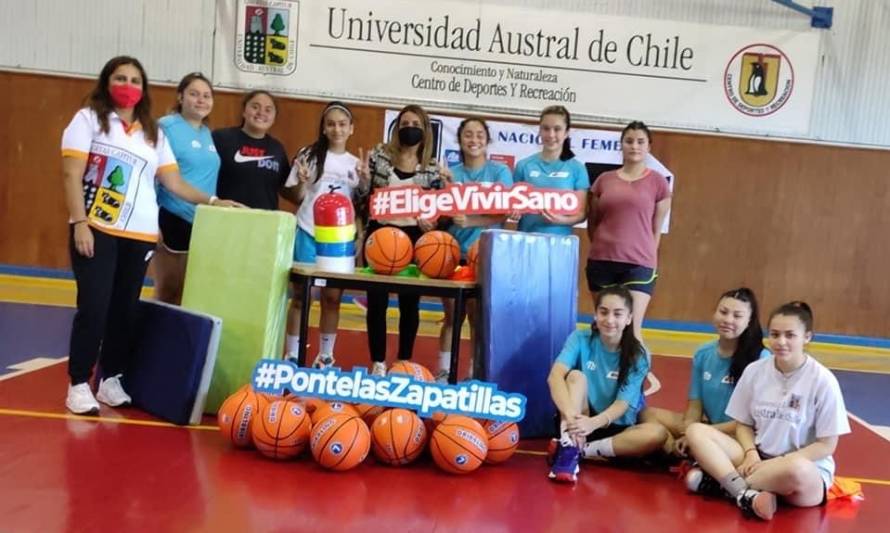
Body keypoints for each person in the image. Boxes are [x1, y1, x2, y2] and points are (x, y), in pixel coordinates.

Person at [61, 56, 239, 415]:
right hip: (96, 228)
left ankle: (111, 380)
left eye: (135, 80)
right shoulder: (88, 120)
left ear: (144, 89)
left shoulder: (151, 132)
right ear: (107, 82)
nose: (129, 86)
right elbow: (71, 174)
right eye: (121, 78)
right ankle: (79, 382)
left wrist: (216, 200)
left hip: (139, 234)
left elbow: (173, 182)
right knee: (94, 307)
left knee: (124, 310)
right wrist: (80, 222)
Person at [684, 302, 851, 521]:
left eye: (790, 335)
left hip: (801, 471)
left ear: (807, 337)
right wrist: (751, 452)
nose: (781, 342)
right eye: (775, 334)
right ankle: (747, 494)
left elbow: (827, 445)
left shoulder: (823, 381)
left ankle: (725, 485)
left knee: (797, 470)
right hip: (756, 459)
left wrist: (779, 462)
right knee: (697, 431)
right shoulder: (755, 371)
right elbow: (743, 424)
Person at [355, 104, 448, 377]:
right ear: (397, 128)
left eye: (417, 125)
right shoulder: (378, 157)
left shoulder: (432, 169)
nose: (410, 128)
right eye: (405, 123)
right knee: (378, 302)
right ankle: (378, 362)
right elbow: (363, 197)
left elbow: (440, 211)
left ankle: (404, 360)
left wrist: (431, 221)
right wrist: (362, 181)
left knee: (410, 304)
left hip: (414, 239)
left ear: (425, 131)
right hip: (380, 236)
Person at [546, 286, 668, 484]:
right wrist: (569, 416)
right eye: (603, 312)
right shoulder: (580, 338)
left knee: (657, 434)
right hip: (577, 418)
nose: (609, 320)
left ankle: (581, 451)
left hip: (612, 425)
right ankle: (568, 446)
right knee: (575, 376)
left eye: (617, 314)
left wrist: (593, 424)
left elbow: (623, 404)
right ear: (595, 314)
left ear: (629, 319)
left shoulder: (639, 355)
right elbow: (554, 376)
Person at [640, 288, 767, 456]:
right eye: (723, 312)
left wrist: (698, 433)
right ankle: (675, 452)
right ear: (714, 313)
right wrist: (689, 429)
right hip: (707, 426)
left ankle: (695, 454)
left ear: (749, 321)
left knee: (701, 438)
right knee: (646, 413)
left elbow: (749, 421)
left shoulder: (761, 359)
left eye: (737, 316)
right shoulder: (703, 353)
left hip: (740, 436)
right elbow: (695, 406)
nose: (728, 320)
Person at [284, 102, 363, 368]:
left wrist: (364, 182)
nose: (336, 128)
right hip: (308, 230)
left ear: (351, 129)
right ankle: (293, 353)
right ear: (324, 128)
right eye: (331, 123)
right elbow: (295, 197)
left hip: (339, 240)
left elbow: (362, 203)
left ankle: (326, 355)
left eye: (342, 124)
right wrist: (304, 182)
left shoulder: (356, 164)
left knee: (332, 298)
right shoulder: (309, 155)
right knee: (301, 297)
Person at [435, 117, 513, 382]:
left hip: (486, 254)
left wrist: (470, 219)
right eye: (468, 135)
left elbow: (502, 212)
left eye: (479, 135)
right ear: (459, 140)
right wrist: (444, 188)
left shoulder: (500, 173)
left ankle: (474, 371)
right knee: (451, 317)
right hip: (453, 251)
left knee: (477, 318)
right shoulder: (451, 172)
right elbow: (440, 214)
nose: (474, 140)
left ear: (487, 140)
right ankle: (444, 372)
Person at [586, 121, 672, 341]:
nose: (634, 146)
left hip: (639, 264)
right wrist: (603, 247)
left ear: (648, 147)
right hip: (602, 261)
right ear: (621, 145)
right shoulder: (604, 181)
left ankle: (633, 374)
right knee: (604, 326)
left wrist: (649, 257)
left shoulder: (658, 182)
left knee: (631, 330)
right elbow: (593, 223)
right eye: (629, 141)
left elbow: (656, 227)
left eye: (640, 141)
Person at [152, 72, 220, 304]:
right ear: (180, 97)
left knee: (187, 293)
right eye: (194, 94)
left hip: (201, 222)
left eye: (206, 96)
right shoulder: (167, 126)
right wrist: (153, 221)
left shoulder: (206, 133)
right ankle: (152, 340)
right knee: (168, 290)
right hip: (172, 216)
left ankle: (176, 340)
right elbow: (151, 174)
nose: (201, 100)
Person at [512, 105, 589, 234]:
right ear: (540, 130)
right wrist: (513, 211)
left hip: (560, 244)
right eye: (546, 129)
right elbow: (512, 205)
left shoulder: (577, 169)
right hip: (526, 241)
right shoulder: (523, 165)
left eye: (557, 129)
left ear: (566, 133)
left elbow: (581, 214)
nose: (551, 134)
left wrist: (560, 220)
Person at [213, 90, 292, 210]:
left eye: (268, 110)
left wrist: (302, 180)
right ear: (244, 111)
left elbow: (286, 189)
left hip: (263, 221)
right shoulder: (221, 138)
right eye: (255, 107)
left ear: (274, 117)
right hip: (226, 217)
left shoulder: (277, 148)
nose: (261, 113)